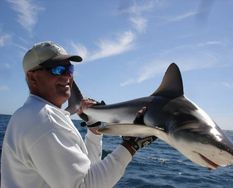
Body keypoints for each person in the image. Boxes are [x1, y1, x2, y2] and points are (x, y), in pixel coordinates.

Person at [1, 41, 156, 188]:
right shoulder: (45, 119)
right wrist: (132, 144)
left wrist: (94, 131)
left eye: (69, 69)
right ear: (32, 77)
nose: (67, 76)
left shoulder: (33, 114)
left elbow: (85, 171)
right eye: (57, 69)